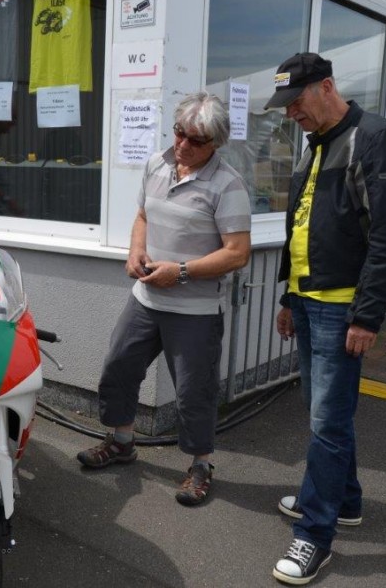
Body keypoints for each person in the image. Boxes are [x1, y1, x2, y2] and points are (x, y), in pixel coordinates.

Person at [264, 53, 386, 584]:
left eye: (297, 102)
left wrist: (368, 314)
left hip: (342, 306)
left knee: (326, 421)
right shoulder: (317, 144)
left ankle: (314, 534)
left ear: (327, 87)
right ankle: (344, 500)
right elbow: (303, 228)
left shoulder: (376, 139)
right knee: (324, 413)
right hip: (308, 300)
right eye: (285, 106)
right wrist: (288, 295)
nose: (291, 115)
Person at [76, 92, 252, 506]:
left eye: (195, 140)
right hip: (146, 300)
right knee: (118, 367)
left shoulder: (228, 185)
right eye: (178, 133)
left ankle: (200, 466)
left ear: (215, 144)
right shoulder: (157, 164)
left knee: (194, 391)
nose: (183, 145)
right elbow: (142, 217)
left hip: (195, 310)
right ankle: (121, 442)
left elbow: (238, 252)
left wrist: (183, 271)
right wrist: (135, 251)